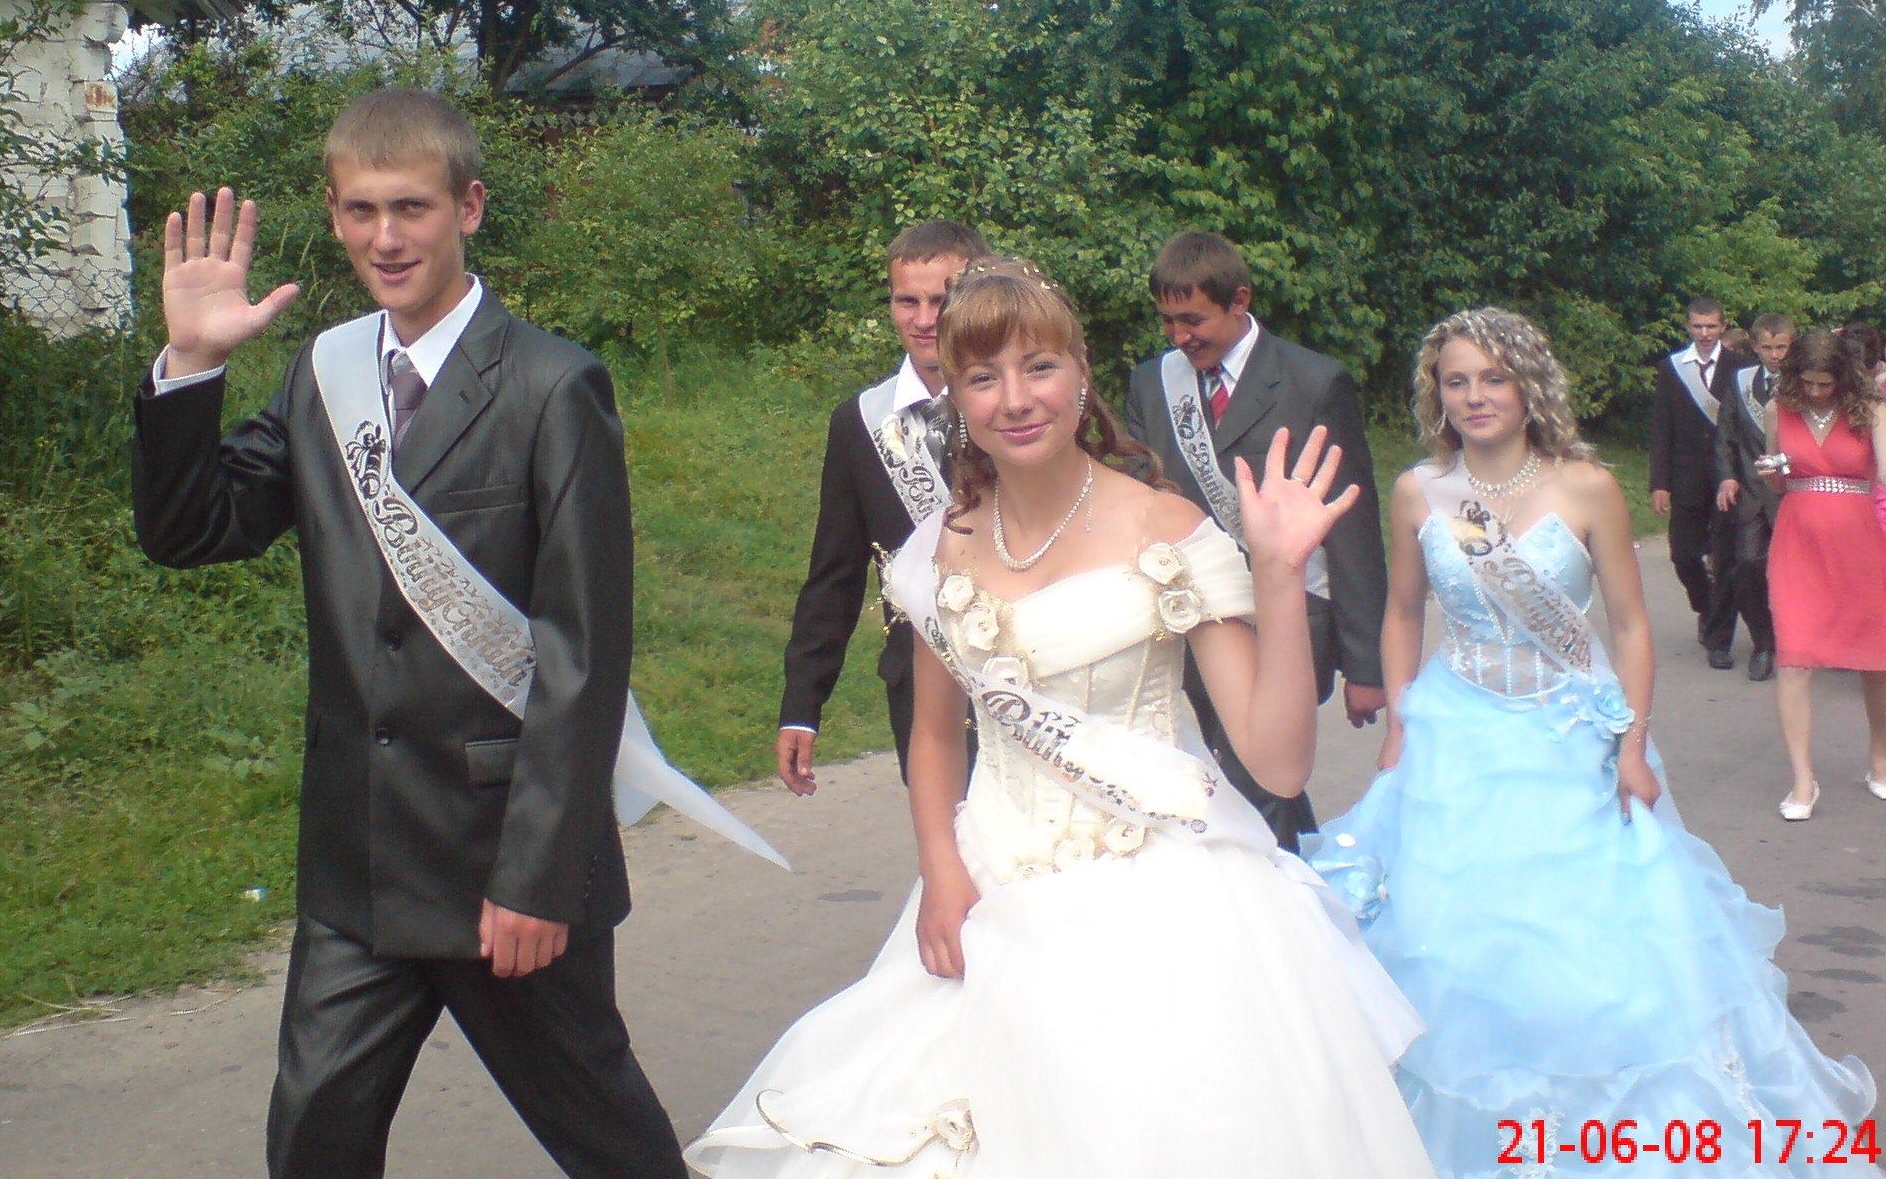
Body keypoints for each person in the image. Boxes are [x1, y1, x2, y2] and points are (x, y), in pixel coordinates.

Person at [688, 258, 1434, 1179]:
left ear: (1081, 374)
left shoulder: (1165, 528)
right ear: (956, 399)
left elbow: (1278, 766)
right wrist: (940, 868)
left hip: (1163, 899)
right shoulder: (944, 546)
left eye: (1038, 366)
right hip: (988, 889)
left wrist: (1278, 577)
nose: (1015, 399)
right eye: (982, 376)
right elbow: (935, 732)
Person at [132, 89, 690, 1179]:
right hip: (360, 864)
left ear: (467, 207)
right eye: (359, 210)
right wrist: (191, 363)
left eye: (410, 207)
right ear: (334, 215)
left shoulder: (553, 384)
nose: (384, 237)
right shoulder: (324, 373)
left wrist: (539, 877)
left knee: (609, 1143)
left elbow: (581, 656)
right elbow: (194, 530)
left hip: (500, 865)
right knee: (313, 1142)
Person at [1307, 307, 1875, 1174]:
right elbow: (1403, 612)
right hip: (1455, 733)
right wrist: (1400, 723)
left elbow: (1631, 626)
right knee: (1450, 943)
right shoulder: (1420, 489)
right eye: (1456, 381)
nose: (1474, 396)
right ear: (1436, 394)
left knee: (1591, 951)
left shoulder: (1587, 487)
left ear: (1528, 384)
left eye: (1493, 378)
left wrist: (1633, 745)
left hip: (1569, 732)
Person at [1123, 231, 1386, 847]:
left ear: (1239, 300)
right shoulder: (1152, 384)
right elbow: (1138, 499)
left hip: (1288, 618)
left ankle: (1274, 889)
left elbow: (1352, 531)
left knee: (1256, 781)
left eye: (1193, 320)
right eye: (1167, 321)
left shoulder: (1313, 382)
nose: (1179, 337)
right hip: (1191, 616)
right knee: (1221, 777)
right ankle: (1303, 879)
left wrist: (1366, 665)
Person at [776, 221, 988, 792]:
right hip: (921, 684)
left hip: (1033, 673)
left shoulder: (1022, 406)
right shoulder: (860, 423)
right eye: (907, 301)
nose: (924, 320)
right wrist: (802, 706)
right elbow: (834, 575)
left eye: (941, 301)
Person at [1763, 328, 1886, 818]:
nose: (1815, 392)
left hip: (1860, 544)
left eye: (1825, 383)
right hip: (1797, 544)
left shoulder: (1871, 409)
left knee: (1876, 659)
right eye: (1808, 382)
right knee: (1794, 657)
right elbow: (1778, 483)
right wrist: (1771, 473)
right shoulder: (1777, 409)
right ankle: (1803, 781)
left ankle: (1880, 760)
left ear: (1843, 377)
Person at [1648, 296, 1744, 667]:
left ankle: (1719, 641)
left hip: (1728, 479)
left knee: (1726, 559)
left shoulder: (1740, 367)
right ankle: (1705, 606)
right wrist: (1659, 481)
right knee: (1683, 556)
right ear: (1688, 326)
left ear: (1723, 326)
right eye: (1698, 326)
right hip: (1685, 476)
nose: (1704, 333)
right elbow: (1661, 427)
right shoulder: (1671, 368)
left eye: (1711, 326)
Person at [1712, 312, 1793, 681]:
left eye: (1782, 347)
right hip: (1749, 492)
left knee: (1793, 575)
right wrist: (1727, 477)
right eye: (1768, 347)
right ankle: (1763, 643)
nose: (1775, 355)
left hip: (1792, 493)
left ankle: (1797, 640)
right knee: (1746, 568)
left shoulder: (1805, 382)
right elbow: (1726, 434)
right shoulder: (1741, 380)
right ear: (1755, 347)